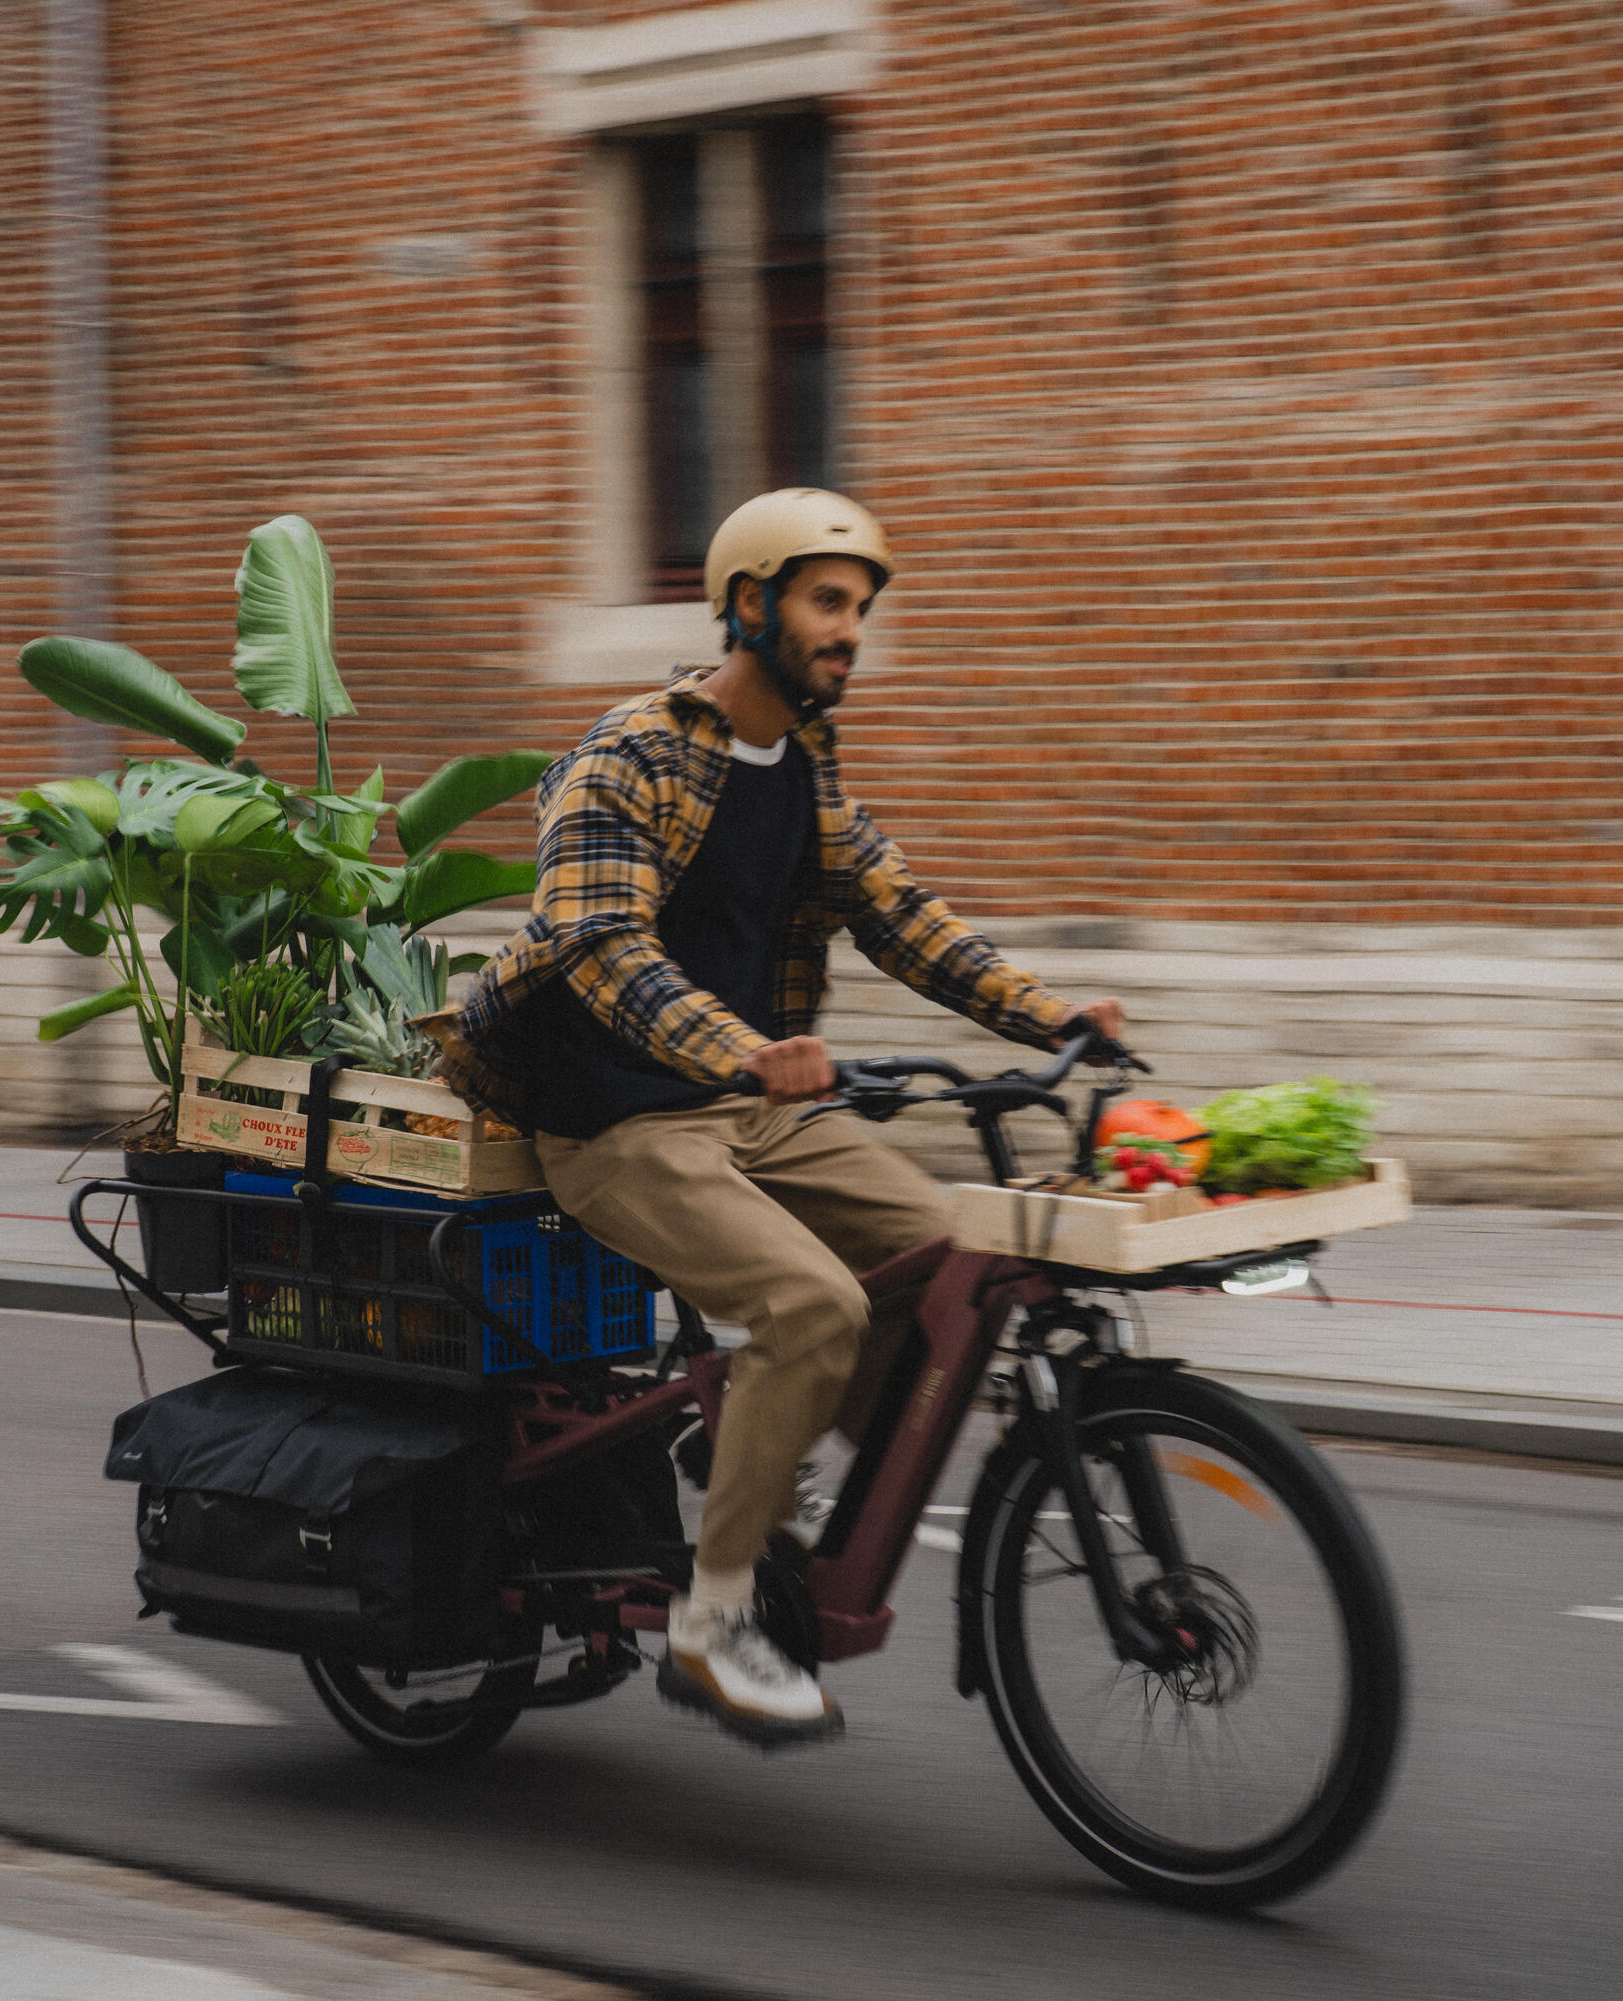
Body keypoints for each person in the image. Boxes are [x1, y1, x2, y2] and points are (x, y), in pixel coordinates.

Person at [430, 488, 1123, 1746]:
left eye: (859, 608)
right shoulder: (628, 755)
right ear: (748, 605)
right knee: (816, 1305)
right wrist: (745, 1051)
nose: (848, 630)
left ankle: (766, 1428)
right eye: (825, 601)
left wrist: (1053, 1016)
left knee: (955, 1254)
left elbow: (907, 919)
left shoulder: (803, 771)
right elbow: (598, 943)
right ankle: (716, 1622)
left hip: (757, 1108)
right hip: (619, 1123)